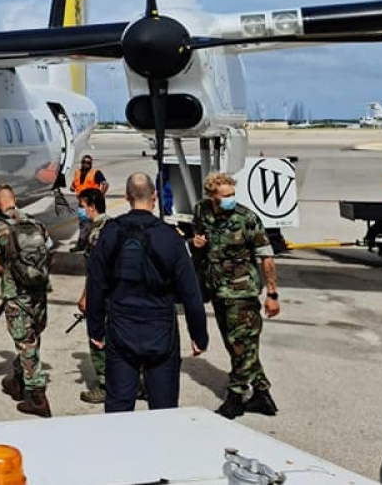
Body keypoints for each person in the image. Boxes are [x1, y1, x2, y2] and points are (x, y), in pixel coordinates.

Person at [86, 172, 209, 413]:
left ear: (126, 197)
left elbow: (96, 284)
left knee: (119, 407)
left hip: (121, 326)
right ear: (154, 197)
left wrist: (96, 329)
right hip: (160, 328)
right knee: (163, 409)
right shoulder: (169, 237)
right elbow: (191, 292)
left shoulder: (110, 233)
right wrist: (199, 334)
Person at [192, 172, 281, 419]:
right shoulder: (201, 211)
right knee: (238, 344)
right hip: (218, 290)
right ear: (212, 197)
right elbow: (199, 245)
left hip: (242, 292)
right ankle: (262, 393)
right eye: (226, 196)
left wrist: (272, 293)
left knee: (242, 342)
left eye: (233, 194)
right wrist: (196, 244)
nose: (231, 199)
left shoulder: (247, 218)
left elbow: (266, 256)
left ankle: (235, 397)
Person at [0, 184, 53, 418]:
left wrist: (10, 274)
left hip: (16, 295)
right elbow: (48, 253)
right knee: (32, 336)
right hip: (39, 291)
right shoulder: (36, 223)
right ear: (14, 199)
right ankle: (17, 380)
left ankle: (37, 397)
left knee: (24, 341)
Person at [75, 187, 110, 403]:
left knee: (98, 340)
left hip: (101, 296)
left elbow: (96, 271)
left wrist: (85, 296)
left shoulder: (97, 233)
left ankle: (105, 386)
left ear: (92, 206)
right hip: (118, 296)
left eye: (82, 206)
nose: (81, 210)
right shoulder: (114, 226)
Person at [72, 154, 108, 250]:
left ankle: (85, 245)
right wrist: (72, 187)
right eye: (84, 162)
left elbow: (105, 184)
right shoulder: (77, 172)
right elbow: (75, 183)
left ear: (91, 164)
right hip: (82, 205)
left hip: (92, 205)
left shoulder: (95, 173)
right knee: (84, 225)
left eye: (88, 162)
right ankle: (84, 244)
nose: (85, 164)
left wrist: (99, 196)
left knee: (93, 225)